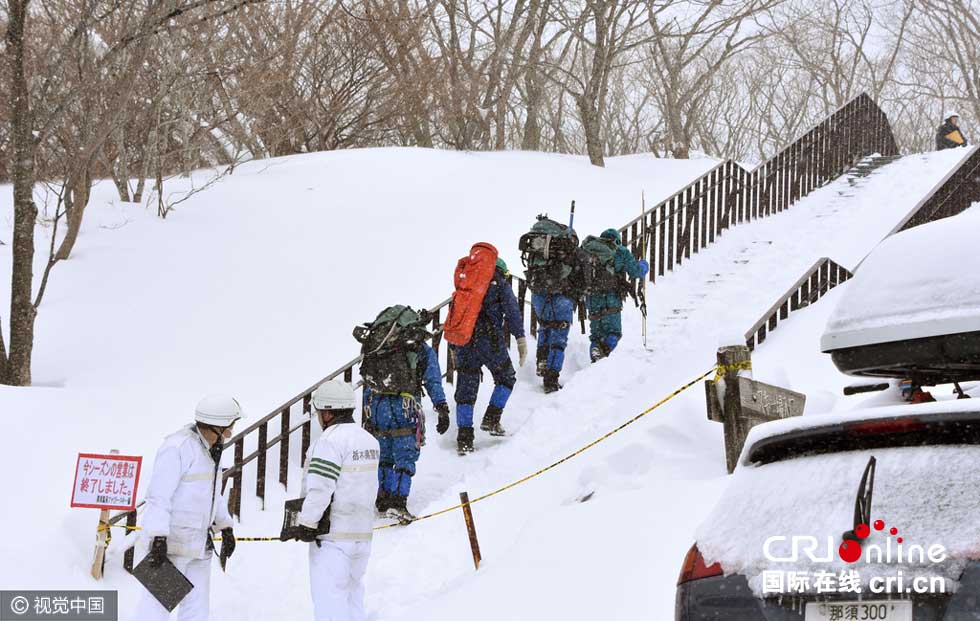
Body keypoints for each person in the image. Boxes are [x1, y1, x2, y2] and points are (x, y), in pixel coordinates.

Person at [131, 395, 241, 621]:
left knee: (197, 610)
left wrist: (225, 526)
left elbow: (212, 495)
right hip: (171, 546)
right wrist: (158, 537)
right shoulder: (178, 447)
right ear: (216, 427)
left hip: (200, 545)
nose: (230, 433)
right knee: (156, 609)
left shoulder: (211, 450)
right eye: (229, 427)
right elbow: (158, 497)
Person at [284, 380, 380, 621]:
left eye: (318, 412)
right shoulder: (369, 441)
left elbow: (320, 488)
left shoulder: (328, 442)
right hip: (362, 536)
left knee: (330, 604)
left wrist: (307, 523)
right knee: (353, 597)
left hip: (332, 539)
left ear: (327, 412)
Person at [356, 305, 449, 523]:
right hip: (405, 404)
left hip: (377, 403)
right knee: (405, 453)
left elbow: (367, 378)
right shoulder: (418, 348)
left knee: (385, 453)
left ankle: (383, 497)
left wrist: (367, 412)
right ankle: (398, 503)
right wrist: (441, 406)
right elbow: (433, 379)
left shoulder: (377, 347)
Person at [444, 257, 527, 454]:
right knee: (506, 377)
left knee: (466, 390)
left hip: (464, 340)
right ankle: (492, 418)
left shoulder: (465, 284)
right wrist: (520, 338)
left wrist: (453, 346)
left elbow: (454, 314)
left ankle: (464, 438)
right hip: (490, 340)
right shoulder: (499, 283)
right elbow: (512, 311)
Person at [520, 217, 590, 394]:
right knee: (559, 338)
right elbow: (584, 280)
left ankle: (542, 361)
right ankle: (551, 378)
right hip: (562, 298)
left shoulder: (539, 253)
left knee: (544, 327)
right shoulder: (573, 255)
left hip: (539, 296)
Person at [582, 229, 649, 362]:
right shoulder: (620, 251)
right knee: (614, 332)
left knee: (596, 336)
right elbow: (635, 271)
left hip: (591, 298)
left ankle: (596, 354)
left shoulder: (588, 251)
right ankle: (603, 354)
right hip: (610, 298)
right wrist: (644, 265)